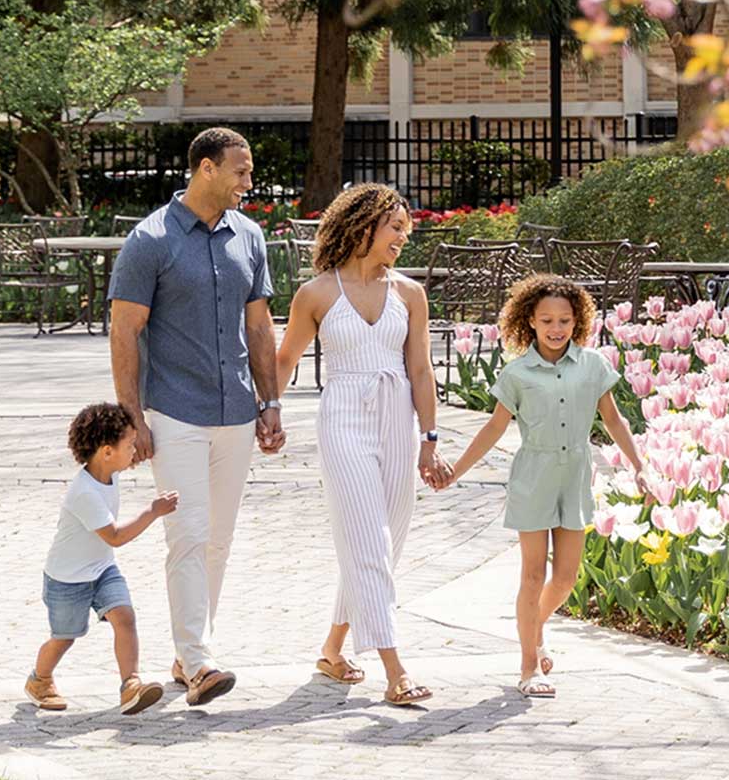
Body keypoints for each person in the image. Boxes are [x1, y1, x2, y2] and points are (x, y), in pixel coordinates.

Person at [107, 127, 284, 707]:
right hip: (174, 408)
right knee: (188, 534)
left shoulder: (249, 236)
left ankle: (188, 657)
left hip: (235, 407)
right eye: (241, 170)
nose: (248, 182)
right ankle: (202, 660)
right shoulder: (150, 239)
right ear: (206, 168)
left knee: (219, 540)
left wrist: (270, 401)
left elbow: (258, 325)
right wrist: (133, 417)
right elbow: (125, 331)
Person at [431, 273, 651, 697]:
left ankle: (535, 627)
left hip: (575, 476)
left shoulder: (593, 365)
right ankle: (529, 666)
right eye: (547, 320)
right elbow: (494, 428)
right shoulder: (517, 373)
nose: (556, 329)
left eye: (564, 321)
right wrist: (456, 471)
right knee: (533, 576)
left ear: (578, 322)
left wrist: (639, 464)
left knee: (566, 579)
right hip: (533, 478)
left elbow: (613, 419)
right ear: (529, 320)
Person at [272, 183, 439, 706]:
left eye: (405, 230)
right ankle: (395, 668)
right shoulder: (317, 293)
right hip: (342, 413)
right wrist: (266, 413)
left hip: (398, 417)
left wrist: (430, 439)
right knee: (368, 540)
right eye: (395, 227)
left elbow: (420, 368)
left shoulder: (410, 293)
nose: (402, 239)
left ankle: (332, 650)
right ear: (364, 224)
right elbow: (285, 361)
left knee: (384, 542)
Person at [29, 402, 176, 715]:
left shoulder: (109, 474)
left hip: (103, 569)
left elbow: (109, 543)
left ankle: (130, 685)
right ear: (106, 451)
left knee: (125, 617)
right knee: (65, 637)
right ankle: (39, 680)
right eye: (129, 445)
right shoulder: (84, 492)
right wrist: (152, 512)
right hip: (67, 579)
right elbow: (115, 536)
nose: (134, 450)